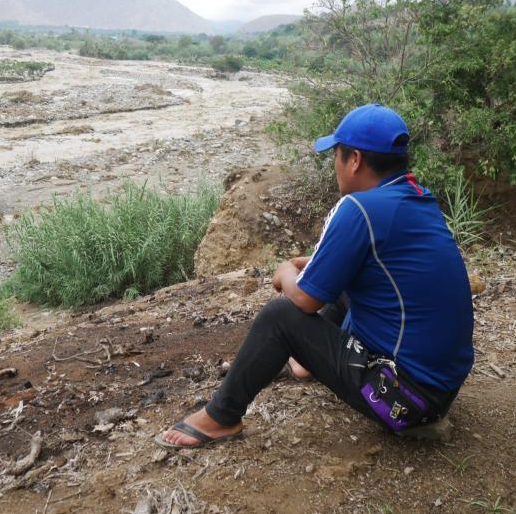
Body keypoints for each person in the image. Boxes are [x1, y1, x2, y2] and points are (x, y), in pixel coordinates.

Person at [156, 104, 474, 449]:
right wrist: (323, 262)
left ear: (354, 160)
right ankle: (307, 363)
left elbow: (305, 300)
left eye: (336, 155)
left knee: (280, 316)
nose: (335, 166)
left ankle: (220, 418)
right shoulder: (416, 197)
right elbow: (387, 264)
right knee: (340, 281)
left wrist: (284, 272)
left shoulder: (360, 208)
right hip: (438, 392)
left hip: (403, 402)